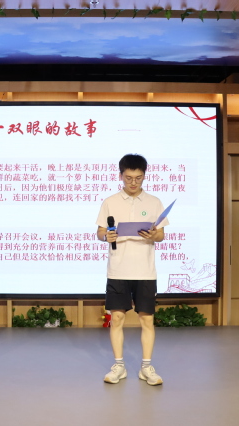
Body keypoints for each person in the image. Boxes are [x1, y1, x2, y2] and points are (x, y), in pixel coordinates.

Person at [95, 154, 168, 386]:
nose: (133, 182)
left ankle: (146, 367)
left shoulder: (154, 202)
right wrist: (106, 236)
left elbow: (161, 235)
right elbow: (99, 232)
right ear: (121, 176)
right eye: (128, 178)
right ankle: (119, 366)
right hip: (118, 270)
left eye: (138, 178)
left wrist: (153, 234)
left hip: (145, 271)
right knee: (117, 318)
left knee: (147, 319)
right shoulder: (110, 201)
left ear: (144, 176)